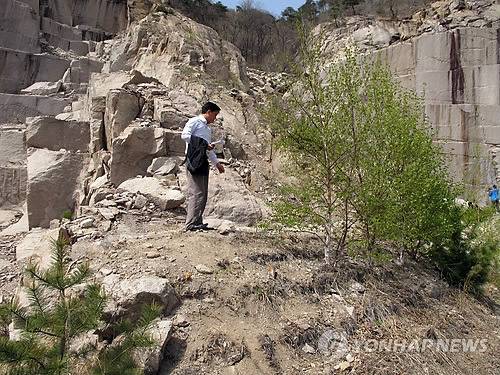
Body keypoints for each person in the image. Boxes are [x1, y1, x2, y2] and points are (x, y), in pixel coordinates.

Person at [181, 102, 225, 231]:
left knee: (203, 193)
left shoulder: (207, 129)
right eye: (215, 115)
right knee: (196, 193)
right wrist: (203, 144)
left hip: (202, 160)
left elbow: (208, 149)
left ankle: (197, 221)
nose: (215, 118)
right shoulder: (194, 121)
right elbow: (184, 136)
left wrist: (217, 163)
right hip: (193, 159)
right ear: (209, 112)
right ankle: (190, 224)